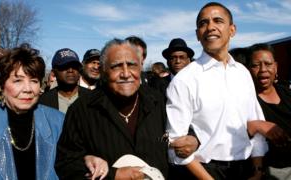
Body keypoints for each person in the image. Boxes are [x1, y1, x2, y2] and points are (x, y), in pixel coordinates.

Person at [166, 2, 268, 180]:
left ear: (232, 30)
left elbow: (255, 122)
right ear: (198, 34)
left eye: (218, 20)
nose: (210, 27)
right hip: (206, 172)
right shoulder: (184, 80)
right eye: (203, 23)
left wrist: (257, 171)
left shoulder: (243, 73)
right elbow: (176, 145)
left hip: (246, 169)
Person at [55, 38, 170, 179]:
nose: (126, 73)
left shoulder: (158, 101)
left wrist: (192, 139)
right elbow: (66, 165)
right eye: (116, 66)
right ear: (103, 70)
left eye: (132, 65)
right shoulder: (82, 110)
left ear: (140, 67)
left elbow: (180, 135)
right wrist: (112, 174)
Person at [0, 46, 64, 179]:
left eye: (34, 81)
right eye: (18, 80)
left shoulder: (58, 122)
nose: (27, 89)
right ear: (2, 86)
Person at [246, 43, 291, 179]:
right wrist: (257, 125)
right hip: (272, 171)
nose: (263, 70)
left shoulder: (287, 92)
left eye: (268, 64)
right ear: (248, 70)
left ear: (276, 67)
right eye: (256, 65)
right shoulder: (245, 100)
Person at [39, 48, 89, 113]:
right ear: (54, 72)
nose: (70, 70)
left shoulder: (92, 98)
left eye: (74, 66)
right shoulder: (43, 101)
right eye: (65, 66)